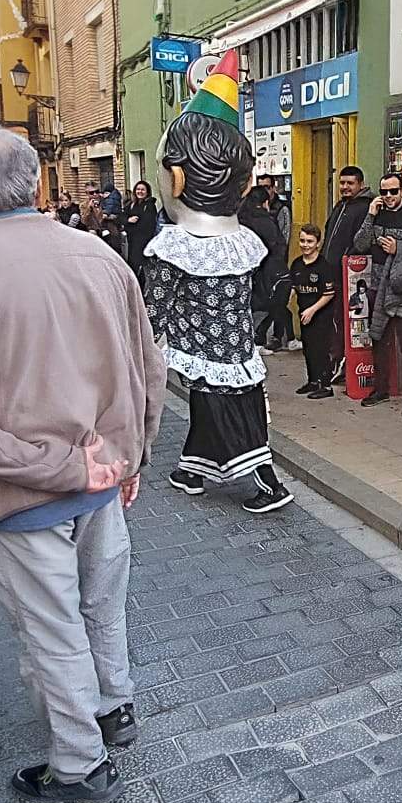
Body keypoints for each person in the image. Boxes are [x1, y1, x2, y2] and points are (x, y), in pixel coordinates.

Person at [0, 124, 166, 802]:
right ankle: (113, 707)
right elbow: (149, 368)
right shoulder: (99, 254)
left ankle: (80, 763)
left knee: (54, 632)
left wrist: (36, 469)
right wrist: (132, 457)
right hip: (101, 477)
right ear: (36, 184)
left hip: (22, 494)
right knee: (102, 608)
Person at [144, 58, 293, 513]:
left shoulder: (173, 247)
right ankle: (192, 469)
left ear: (176, 179)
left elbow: (154, 308)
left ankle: (268, 484)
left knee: (229, 415)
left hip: (204, 349)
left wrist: (138, 346)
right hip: (238, 345)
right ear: (244, 186)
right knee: (221, 408)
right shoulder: (241, 241)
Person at [354, 172, 402, 417]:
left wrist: (400, 248)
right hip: (377, 286)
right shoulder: (377, 216)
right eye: (384, 192)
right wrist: (370, 214)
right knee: (379, 339)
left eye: (393, 191)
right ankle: (381, 389)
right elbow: (360, 244)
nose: (388, 196)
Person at [289, 224, 338, 398]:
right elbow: (294, 286)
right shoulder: (296, 264)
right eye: (302, 241)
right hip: (304, 314)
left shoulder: (324, 266)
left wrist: (312, 310)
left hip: (321, 315)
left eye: (310, 241)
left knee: (321, 349)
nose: (305, 245)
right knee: (308, 348)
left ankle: (326, 386)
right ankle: (313, 381)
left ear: (318, 243)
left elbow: (329, 294)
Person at [241, 187, 292, 352]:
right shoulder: (267, 222)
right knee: (272, 304)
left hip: (248, 270)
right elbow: (278, 245)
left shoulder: (241, 220)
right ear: (265, 203)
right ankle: (259, 340)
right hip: (269, 270)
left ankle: (255, 340)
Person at [323, 166, 372, 263]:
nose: (345, 187)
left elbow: (363, 242)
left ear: (361, 184)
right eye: (342, 183)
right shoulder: (339, 205)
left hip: (350, 266)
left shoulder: (367, 207)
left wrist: (347, 258)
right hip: (329, 265)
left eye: (350, 183)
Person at [122, 181, 161, 274]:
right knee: (132, 266)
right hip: (132, 241)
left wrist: (130, 226)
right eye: (138, 189)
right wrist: (128, 220)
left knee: (142, 268)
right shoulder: (131, 205)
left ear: (147, 192)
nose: (140, 191)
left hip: (144, 242)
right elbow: (120, 217)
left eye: (143, 190)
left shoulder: (150, 206)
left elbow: (148, 224)